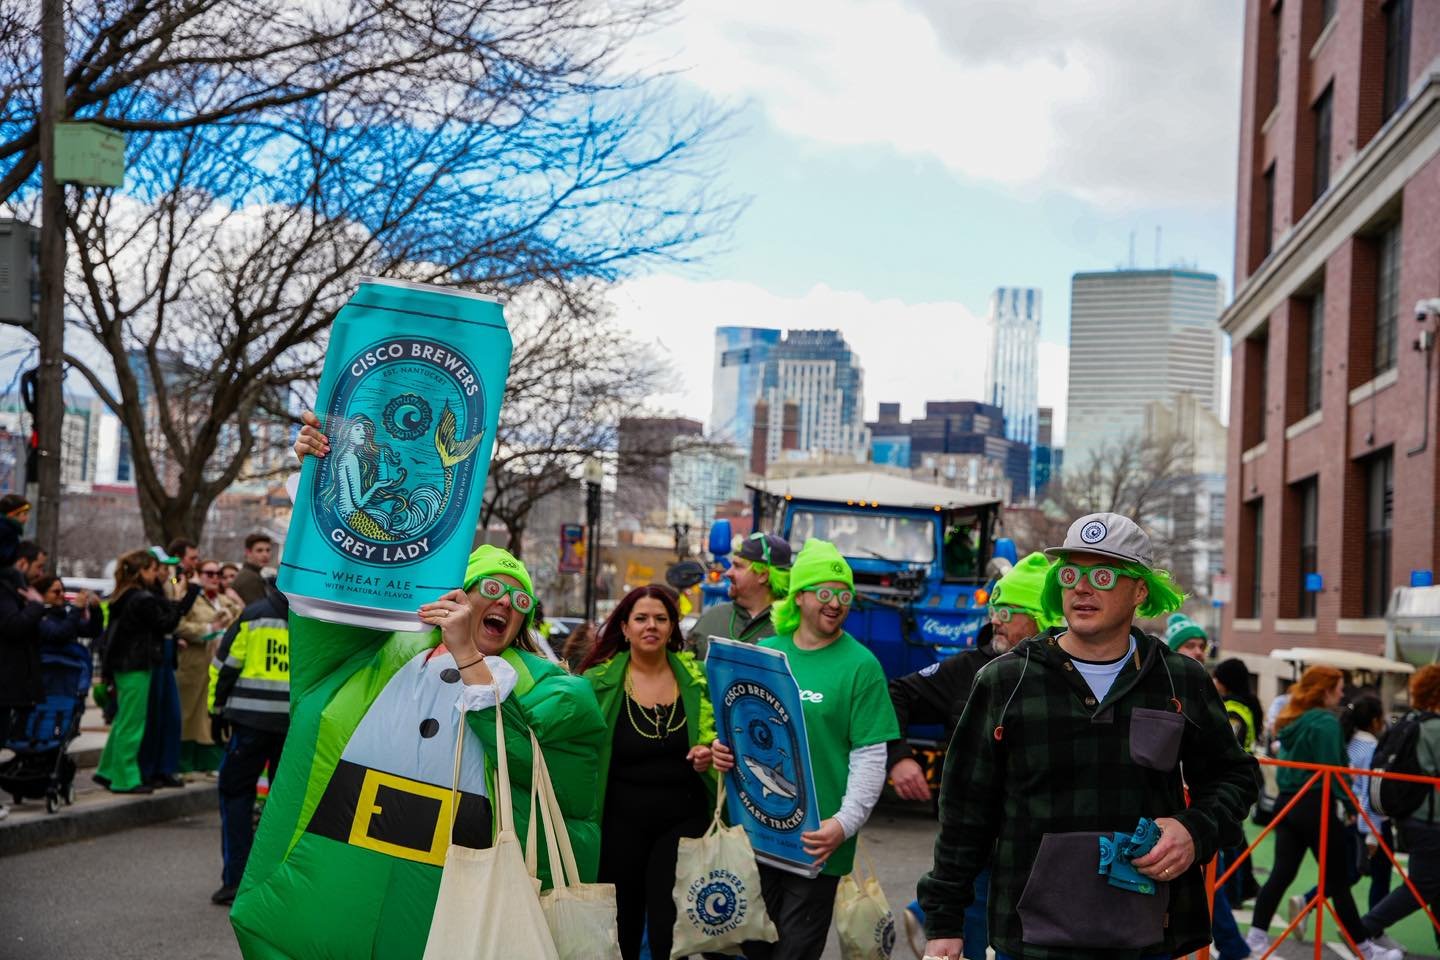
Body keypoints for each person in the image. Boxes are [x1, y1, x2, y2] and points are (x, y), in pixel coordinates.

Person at [229, 417, 608, 958]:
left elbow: (545, 769)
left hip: (457, 900)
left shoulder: (551, 689)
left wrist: (471, 661)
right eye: (492, 588)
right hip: (337, 881)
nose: (504, 603)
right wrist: (323, 472)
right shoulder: (376, 655)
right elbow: (330, 592)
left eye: (519, 600)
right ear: (457, 593)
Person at [918, 512, 1259, 960]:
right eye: (1071, 573)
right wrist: (945, 923)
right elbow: (965, 812)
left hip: (1147, 938)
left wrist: (1195, 830)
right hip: (1031, 942)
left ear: (1140, 589)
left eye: (1102, 574)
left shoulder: (1181, 680)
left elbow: (1236, 777)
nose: (1081, 587)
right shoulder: (1005, 681)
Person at [714, 539, 898, 960]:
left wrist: (844, 823)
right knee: (754, 949)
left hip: (817, 842)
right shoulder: (767, 653)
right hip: (759, 834)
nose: (836, 603)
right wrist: (722, 750)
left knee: (795, 952)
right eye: (825, 592)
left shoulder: (861, 666)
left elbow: (869, 757)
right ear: (800, 595)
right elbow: (740, 731)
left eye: (844, 594)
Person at [888, 551, 1059, 959]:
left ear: (1038, 616)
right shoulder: (967, 668)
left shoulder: (1070, 678)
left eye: (1006, 609)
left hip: (1043, 858)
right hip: (975, 851)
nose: (994, 619)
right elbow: (896, 693)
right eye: (994, 608)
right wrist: (899, 756)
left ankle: (922, 911)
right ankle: (925, 913)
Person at [580, 585, 720, 960]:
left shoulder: (699, 680)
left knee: (667, 926)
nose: (651, 626)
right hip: (619, 823)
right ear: (624, 628)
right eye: (641, 618)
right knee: (621, 923)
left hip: (682, 821)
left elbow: (722, 738)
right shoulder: (598, 684)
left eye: (661, 618)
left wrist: (709, 753)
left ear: (673, 627)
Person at [1244, 666, 1400, 959]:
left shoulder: (1293, 720)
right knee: (1338, 880)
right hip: (1315, 804)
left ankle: (1256, 937)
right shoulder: (1325, 724)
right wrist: (1352, 805)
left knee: (1282, 874)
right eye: (1339, 688)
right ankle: (1365, 949)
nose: (1343, 694)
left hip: (1288, 803)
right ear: (1324, 690)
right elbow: (1336, 770)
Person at [208, 580, 291, 906]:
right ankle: (276, 884)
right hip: (292, 726)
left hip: (250, 725)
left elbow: (225, 666)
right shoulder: (312, 621)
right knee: (285, 805)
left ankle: (235, 882)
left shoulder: (253, 615)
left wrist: (216, 711)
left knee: (236, 796)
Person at [1359, 664, 1440, 946]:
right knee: (1423, 886)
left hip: (1408, 817)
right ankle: (1363, 928)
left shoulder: (1408, 722)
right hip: (1431, 820)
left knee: (1435, 887)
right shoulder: (1434, 729)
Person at [94, 550, 185, 795]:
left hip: (123, 664)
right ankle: (125, 778)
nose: (158, 575)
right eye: (154, 570)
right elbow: (165, 623)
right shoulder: (142, 598)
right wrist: (177, 600)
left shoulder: (123, 595)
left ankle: (108, 770)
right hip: (135, 665)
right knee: (133, 723)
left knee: (124, 719)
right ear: (142, 571)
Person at [138, 545, 197, 789]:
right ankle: (150, 769)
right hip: (152, 657)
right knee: (154, 716)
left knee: (170, 716)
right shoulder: (148, 594)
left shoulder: (161, 590)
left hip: (164, 654)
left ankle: (164, 767)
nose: (164, 572)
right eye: (159, 568)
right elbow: (166, 623)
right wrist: (179, 601)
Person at [175, 559, 241, 775]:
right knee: (188, 713)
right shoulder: (191, 600)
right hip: (193, 663)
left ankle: (210, 763)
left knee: (210, 713)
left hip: (217, 666)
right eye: (209, 573)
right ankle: (183, 764)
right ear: (199, 575)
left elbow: (241, 621)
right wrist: (209, 628)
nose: (214, 578)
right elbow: (178, 625)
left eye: (217, 574)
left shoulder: (224, 600)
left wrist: (234, 605)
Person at [686, 532, 792, 661]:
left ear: (763, 575)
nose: (728, 573)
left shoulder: (790, 627)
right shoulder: (712, 617)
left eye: (737, 566)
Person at [0, 540, 45, 821]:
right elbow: (12, 626)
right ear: (21, 563)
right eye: (38, 566)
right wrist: (36, 607)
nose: (41, 573)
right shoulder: (6, 591)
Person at [34, 575, 104, 648]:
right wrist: (77, 608)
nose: (62, 594)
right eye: (57, 592)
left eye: (63, 590)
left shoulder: (62, 614)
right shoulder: (38, 615)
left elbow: (93, 631)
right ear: (42, 594)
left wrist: (95, 609)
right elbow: (59, 635)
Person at [230, 534, 272, 606]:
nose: (265, 554)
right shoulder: (249, 577)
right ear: (248, 552)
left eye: (268, 550)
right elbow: (258, 611)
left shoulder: (253, 574)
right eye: (259, 550)